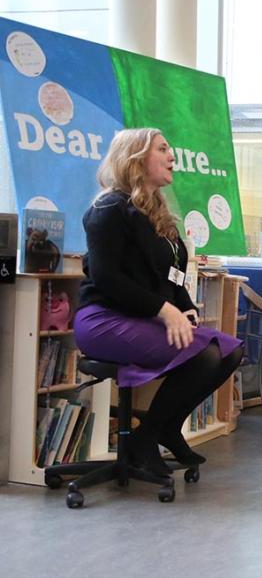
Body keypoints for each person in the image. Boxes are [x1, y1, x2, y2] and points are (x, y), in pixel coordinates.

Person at [74, 128, 244, 477]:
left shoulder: (157, 213)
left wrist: (186, 306)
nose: (172, 157)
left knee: (230, 352)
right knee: (204, 354)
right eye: (163, 149)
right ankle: (146, 437)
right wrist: (164, 310)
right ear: (135, 158)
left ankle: (164, 428)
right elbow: (107, 279)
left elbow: (173, 275)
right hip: (104, 320)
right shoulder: (108, 208)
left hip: (143, 318)